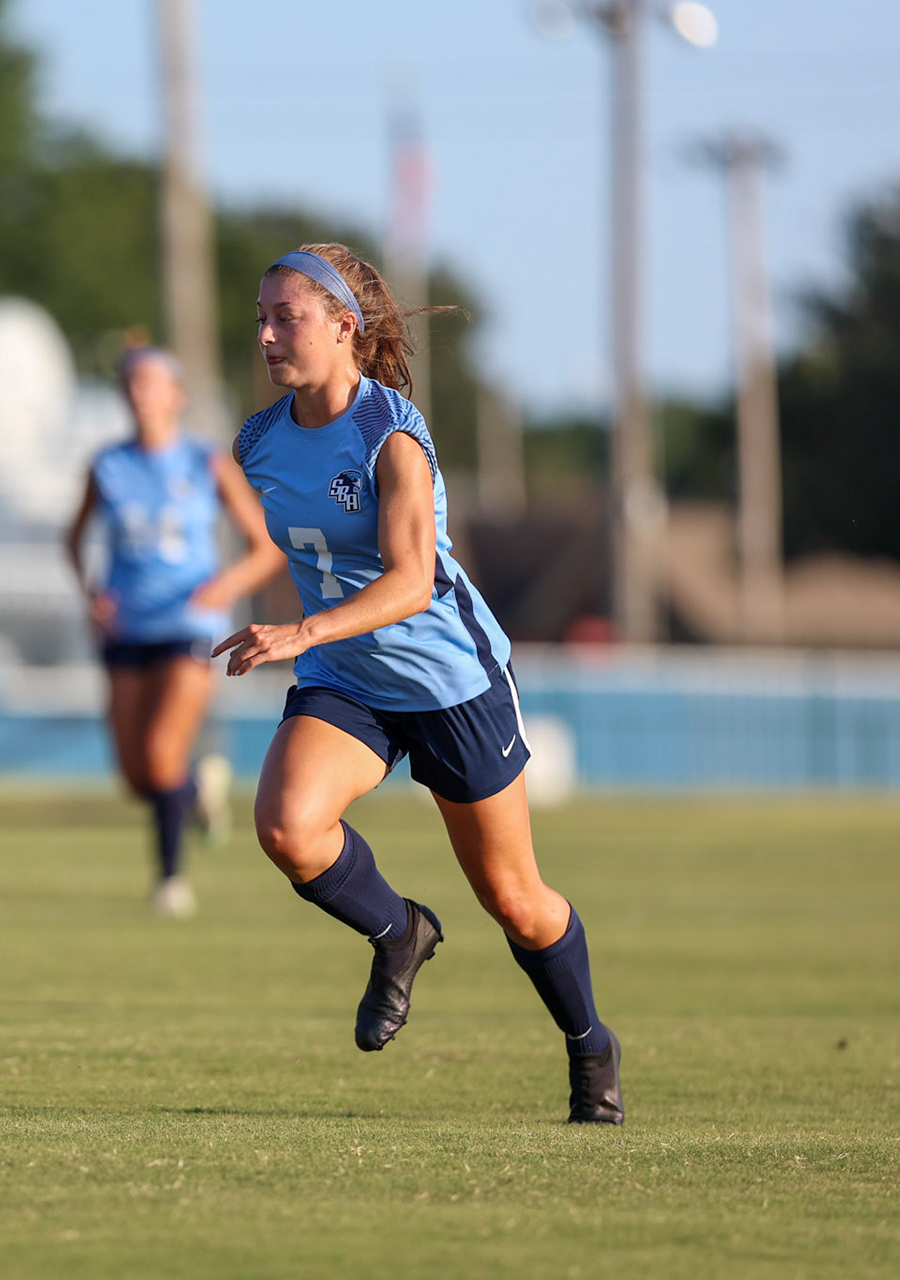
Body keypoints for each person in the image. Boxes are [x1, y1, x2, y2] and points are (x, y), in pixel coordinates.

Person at [216, 244, 622, 1123]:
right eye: (262, 318)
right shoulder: (257, 441)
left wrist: (298, 631)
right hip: (348, 677)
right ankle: (400, 933)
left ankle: (591, 1045)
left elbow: (409, 583)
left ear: (343, 326)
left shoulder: (390, 433)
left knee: (515, 901)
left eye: (286, 318)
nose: (267, 335)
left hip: (450, 681)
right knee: (288, 828)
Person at [65, 347, 285, 917]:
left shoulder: (204, 462)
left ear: (176, 395)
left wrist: (223, 587)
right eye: (131, 382)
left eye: (151, 382)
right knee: (137, 777)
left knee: (162, 753)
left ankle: (170, 881)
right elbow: (73, 539)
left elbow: (266, 548)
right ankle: (196, 792)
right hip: (126, 626)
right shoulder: (107, 465)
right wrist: (92, 594)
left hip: (187, 624)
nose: (139, 392)